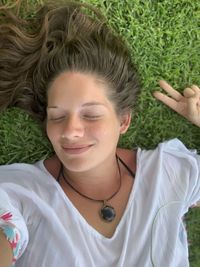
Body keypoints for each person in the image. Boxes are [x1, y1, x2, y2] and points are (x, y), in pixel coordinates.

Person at [0, 1, 199, 267]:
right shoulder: (19, 192)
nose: (70, 131)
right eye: (57, 116)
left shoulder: (169, 172)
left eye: (91, 115)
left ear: (123, 121)